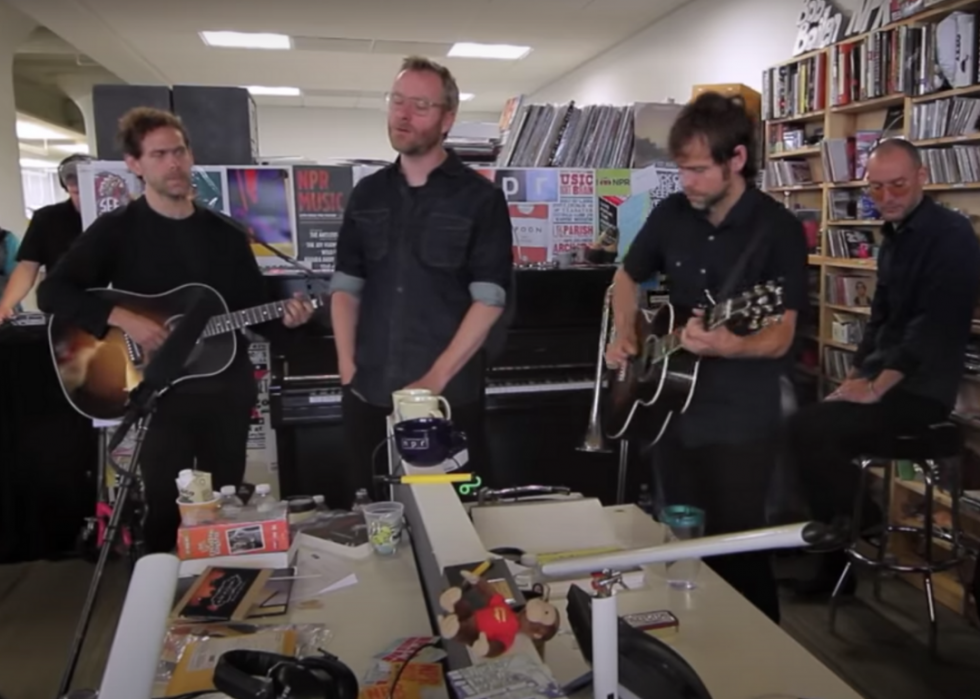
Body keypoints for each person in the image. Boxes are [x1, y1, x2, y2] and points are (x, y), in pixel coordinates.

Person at [36, 107, 314, 554]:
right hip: (157, 393)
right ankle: (166, 607)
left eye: (180, 151)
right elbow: (53, 294)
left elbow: (250, 309)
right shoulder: (118, 230)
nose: (174, 163)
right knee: (168, 508)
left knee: (226, 504)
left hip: (226, 390)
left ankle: (220, 599)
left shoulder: (224, 233)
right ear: (134, 164)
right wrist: (123, 319)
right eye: (160, 154)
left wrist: (290, 320)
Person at [605, 92, 808, 624]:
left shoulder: (778, 230)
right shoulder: (672, 213)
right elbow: (626, 277)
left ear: (736, 159)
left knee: (739, 547)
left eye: (697, 170)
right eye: (680, 169)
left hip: (743, 417)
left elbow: (783, 334)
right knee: (678, 537)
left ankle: (757, 660)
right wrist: (627, 333)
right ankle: (691, 649)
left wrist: (732, 345)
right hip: (671, 413)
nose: (686, 181)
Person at [786, 138, 980, 594]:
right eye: (876, 188)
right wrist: (856, 377)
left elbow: (932, 329)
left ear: (921, 179)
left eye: (897, 185)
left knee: (809, 431)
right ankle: (840, 550)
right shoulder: (893, 237)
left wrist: (876, 388)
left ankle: (858, 525)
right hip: (885, 380)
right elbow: (882, 319)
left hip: (922, 393)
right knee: (804, 422)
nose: (886, 197)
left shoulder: (951, 236)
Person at [329, 55, 513, 508]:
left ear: (447, 118)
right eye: (397, 100)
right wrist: (347, 366)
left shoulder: (480, 198)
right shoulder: (367, 193)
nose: (403, 114)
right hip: (369, 394)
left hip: (446, 401)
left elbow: (489, 300)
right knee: (376, 514)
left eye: (420, 105)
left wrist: (433, 381)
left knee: (453, 515)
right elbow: (346, 287)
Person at [0, 154, 91, 321]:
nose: (82, 198)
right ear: (66, 188)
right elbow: (27, 266)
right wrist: (5, 305)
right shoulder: (47, 218)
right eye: (76, 192)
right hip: (65, 307)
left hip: (117, 304)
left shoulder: (119, 217)